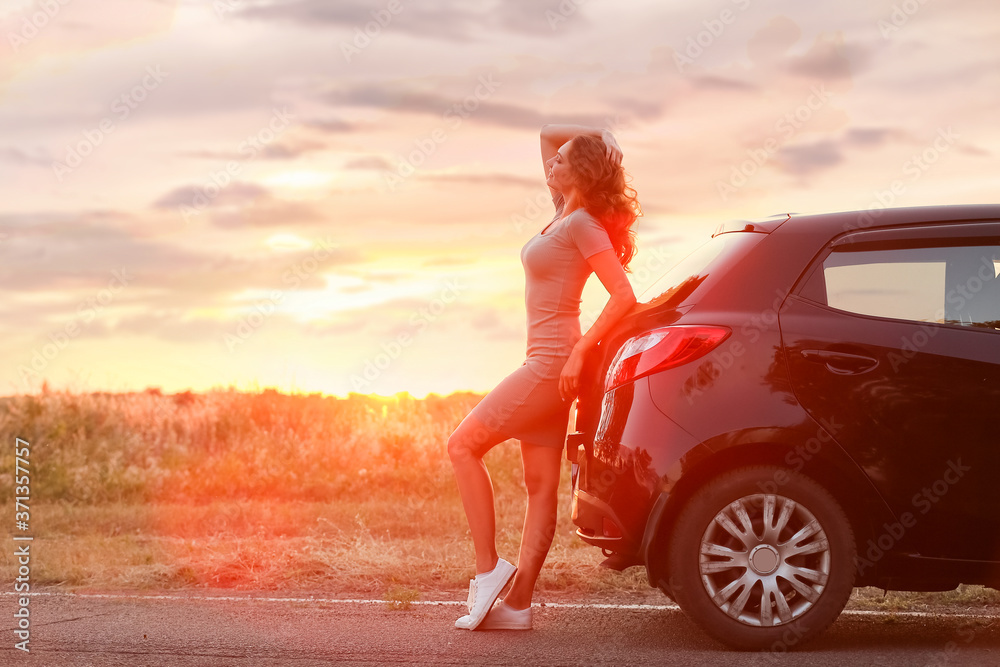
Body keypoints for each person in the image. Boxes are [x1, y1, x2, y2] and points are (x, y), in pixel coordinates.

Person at [447, 124, 642, 631]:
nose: (551, 162)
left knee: (463, 445)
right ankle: (517, 607)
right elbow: (547, 133)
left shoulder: (581, 225)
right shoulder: (562, 211)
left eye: (562, 160)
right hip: (547, 361)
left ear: (577, 171)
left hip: (551, 363)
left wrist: (580, 352)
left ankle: (488, 571)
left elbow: (624, 297)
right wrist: (603, 136)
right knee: (539, 485)